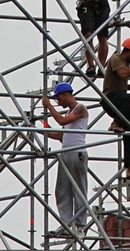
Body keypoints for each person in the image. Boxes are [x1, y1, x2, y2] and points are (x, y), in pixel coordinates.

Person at [41, 82, 89, 236]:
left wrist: (49, 106)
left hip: (77, 153)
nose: (58, 102)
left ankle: (81, 226)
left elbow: (61, 121)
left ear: (67, 95)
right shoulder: (69, 115)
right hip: (65, 153)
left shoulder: (80, 108)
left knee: (79, 190)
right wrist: (42, 130)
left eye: (59, 99)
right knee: (62, 191)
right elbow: (61, 137)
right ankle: (67, 225)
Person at [102, 38, 130, 180]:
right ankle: (116, 123)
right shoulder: (116, 58)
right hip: (110, 98)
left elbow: (118, 80)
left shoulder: (124, 63)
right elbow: (123, 74)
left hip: (118, 99)